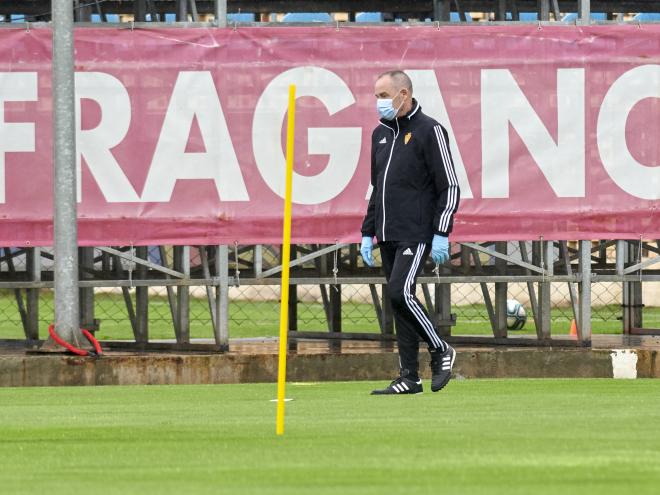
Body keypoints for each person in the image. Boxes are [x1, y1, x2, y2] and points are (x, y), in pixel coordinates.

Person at [360, 70, 460, 395]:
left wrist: (441, 231)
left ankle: (440, 348)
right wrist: (367, 232)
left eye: (384, 96)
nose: (379, 103)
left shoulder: (429, 131)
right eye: (376, 97)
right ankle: (409, 375)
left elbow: (450, 185)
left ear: (404, 94)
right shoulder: (379, 136)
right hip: (388, 234)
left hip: (416, 233)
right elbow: (377, 189)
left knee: (399, 293)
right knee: (400, 303)